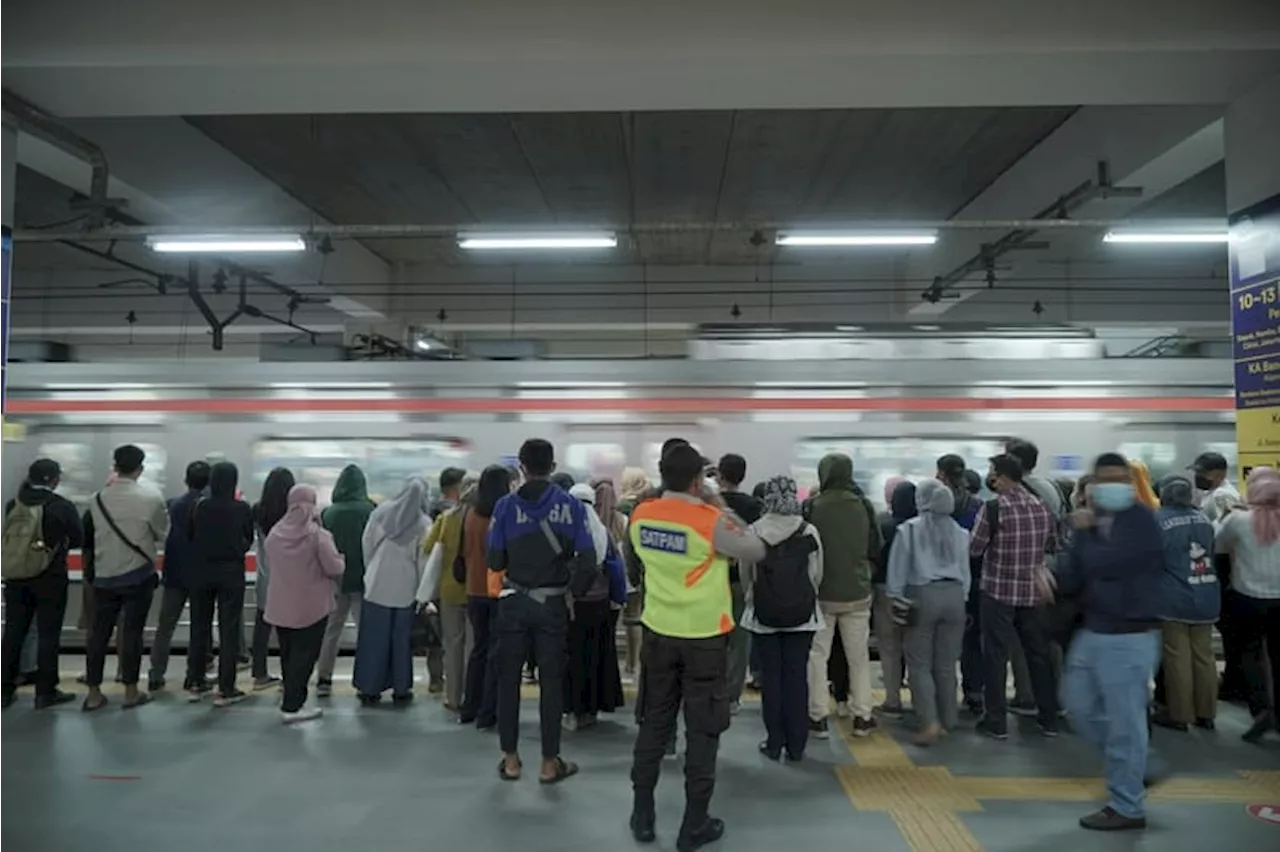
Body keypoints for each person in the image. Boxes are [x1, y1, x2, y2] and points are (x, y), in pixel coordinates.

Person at [627, 442, 766, 851]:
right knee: (702, 733)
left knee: (654, 725)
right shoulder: (710, 520)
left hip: (657, 633)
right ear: (696, 479)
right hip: (703, 639)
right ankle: (693, 824)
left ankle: (643, 815)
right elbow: (755, 548)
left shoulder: (641, 515)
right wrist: (716, 499)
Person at [1058, 452, 1164, 831]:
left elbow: (1111, 565)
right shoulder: (1090, 522)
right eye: (1106, 479)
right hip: (1093, 629)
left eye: (1121, 478)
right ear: (1094, 484)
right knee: (1077, 707)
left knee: (1125, 723)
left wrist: (1084, 535)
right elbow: (1072, 576)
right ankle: (1140, 765)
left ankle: (1127, 805)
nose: (1114, 485)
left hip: (1131, 634)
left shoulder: (1142, 521)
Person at [489, 439, 597, 784]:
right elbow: (589, 560)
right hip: (552, 604)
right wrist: (572, 592)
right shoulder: (572, 507)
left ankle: (510, 760)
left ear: (521, 467)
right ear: (552, 467)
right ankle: (550, 764)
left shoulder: (505, 506)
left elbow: (494, 560)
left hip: (513, 603)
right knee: (551, 684)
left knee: (508, 681)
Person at [969, 453, 1060, 739]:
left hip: (997, 592)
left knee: (996, 655)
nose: (991, 478)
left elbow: (974, 549)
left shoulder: (993, 509)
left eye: (993, 473)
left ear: (1004, 478)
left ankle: (996, 721)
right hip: (1032, 593)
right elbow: (1051, 544)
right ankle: (1049, 718)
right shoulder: (1042, 507)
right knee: (1038, 655)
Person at [740, 475, 823, 761]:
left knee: (771, 679)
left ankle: (774, 742)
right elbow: (816, 575)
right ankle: (797, 745)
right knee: (797, 678)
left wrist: (756, 596)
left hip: (763, 616)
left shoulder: (753, 531)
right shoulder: (808, 530)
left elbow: (746, 574)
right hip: (803, 617)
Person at [82, 445, 169, 712]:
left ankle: (94, 694)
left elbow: (88, 536)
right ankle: (131, 692)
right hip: (137, 576)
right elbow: (162, 533)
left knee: (98, 635)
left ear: (114, 467)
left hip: (104, 578)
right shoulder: (152, 497)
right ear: (140, 469)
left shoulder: (96, 499)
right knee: (132, 634)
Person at [887, 479, 970, 745]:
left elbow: (897, 571)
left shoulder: (909, 530)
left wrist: (895, 599)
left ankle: (929, 722)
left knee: (919, 664)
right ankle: (948, 719)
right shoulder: (960, 532)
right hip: (956, 596)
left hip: (923, 596)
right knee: (946, 665)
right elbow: (966, 573)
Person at [805, 452, 882, 739]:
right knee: (858, 657)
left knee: (818, 655)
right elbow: (876, 547)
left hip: (821, 593)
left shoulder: (812, 506)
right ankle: (862, 716)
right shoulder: (863, 505)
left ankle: (817, 717)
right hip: (858, 593)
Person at [0, 459, 84, 710]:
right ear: (53, 479)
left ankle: (4, 690)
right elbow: (78, 539)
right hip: (50, 578)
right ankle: (45, 692)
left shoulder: (13, 504)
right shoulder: (61, 506)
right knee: (49, 635)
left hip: (15, 577)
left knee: (14, 632)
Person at [264, 484, 346, 723]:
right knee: (305, 656)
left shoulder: (275, 533)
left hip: (280, 605)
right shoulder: (318, 536)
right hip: (312, 606)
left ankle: (289, 699)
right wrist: (342, 559)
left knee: (288, 655)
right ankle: (293, 706)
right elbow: (334, 568)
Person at [1214, 467, 1280, 743]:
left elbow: (1218, 550)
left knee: (1249, 656)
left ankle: (1261, 709)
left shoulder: (1238, 520)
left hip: (1245, 600)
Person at [1152, 474, 1218, 732]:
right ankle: (1207, 713)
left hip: (1173, 598)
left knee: (1177, 657)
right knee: (1204, 657)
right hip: (1206, 593)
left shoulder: (1158, 521)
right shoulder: (1204, 519)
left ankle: (1180, 715)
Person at [356, 478, 430, 705]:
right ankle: (401, 687)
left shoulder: (381, 513)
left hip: (377, 583)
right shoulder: (423, 523)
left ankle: (369, 688)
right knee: (400, 641)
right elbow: (423, 561)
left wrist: (370, 570)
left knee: (374, 640)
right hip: (405, 588)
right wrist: (422, 593)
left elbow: (367, 543)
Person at [186, 461, 255, 706]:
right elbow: (248, 539)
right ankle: (226, 688)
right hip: (231, 573)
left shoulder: (199, 507)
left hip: (201, 573)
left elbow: (190, 536)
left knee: (199, 627)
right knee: (229, 631)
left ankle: (195, 682)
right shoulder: (242, 508)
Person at [563, 483, 626, 730]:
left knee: (572, 658)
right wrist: (617, 598)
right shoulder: (603, 531)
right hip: (599, 605)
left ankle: (571, 710)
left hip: (571, 604)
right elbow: (616, 568)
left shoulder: (566, 531)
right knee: (595, 657)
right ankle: (591, 710)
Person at [147, 461, 210, 692]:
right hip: (201, 575)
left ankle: (156, 673)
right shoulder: (208, 507)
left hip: (174, 573)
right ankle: (194, 674)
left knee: (166, 626)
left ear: (186, 480)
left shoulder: (172, 504)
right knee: (199, 626)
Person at [1190, 451, 1247, 702]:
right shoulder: (1213, 494)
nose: (1198, 477)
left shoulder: (1224, 496)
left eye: (1202, 472)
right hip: (1221, 567)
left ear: (1219, 473)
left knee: (1231, 632)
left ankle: (1235, 684)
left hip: (1224, 569)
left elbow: (1225, 536)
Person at [317, 464, 376, 697]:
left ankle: (323, 678)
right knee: (366, 632)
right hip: (363, 578)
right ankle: (366, 679)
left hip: (335, 579)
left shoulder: (329, 513)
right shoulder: (370, 510)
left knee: (332, 630)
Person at [461, 465, 511, 729]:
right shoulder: (499, 516)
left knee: (478, 651)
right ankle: (487, 712)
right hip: (496, 592)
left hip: (473, 590)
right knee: (496, 653)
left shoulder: (470, 514)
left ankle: (469, 707)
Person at [716, 453, 764, 714]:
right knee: (739, 641)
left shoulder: (711, 504)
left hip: (711, 582)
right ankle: (732, 697)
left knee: (713, 637)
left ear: (720, 475)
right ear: (743, 476)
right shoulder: (753, 506)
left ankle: (711, 689)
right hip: (741, 583)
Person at [421, 480, 473, 715]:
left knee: (452, 644)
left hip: (450, 589)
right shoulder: (487, 518)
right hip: (479, 590)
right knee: (474, 646)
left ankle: (454, 697)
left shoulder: (447, 518)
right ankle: (474, 695)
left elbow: (428, 547)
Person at [873, 477, 915, 719]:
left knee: (889, 647)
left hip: (884, 590)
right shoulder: (919, 527)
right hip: (915, 591)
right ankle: (920, 701)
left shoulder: (884, 525)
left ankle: (892, 700)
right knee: (915, 648)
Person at [249, 467, 294, 691]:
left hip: (265, 576)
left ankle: (259, 674)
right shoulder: (292, 512)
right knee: (288, 631)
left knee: (262, 629)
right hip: (289, 578)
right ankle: (288, 678)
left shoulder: (258, 510)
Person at [618, 467, 650, 676]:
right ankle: (635, 663)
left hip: (619, 563)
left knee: (625, 616)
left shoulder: (619, 506)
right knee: (636, 615)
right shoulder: (645, 507)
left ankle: (628, 664)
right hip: (639, 565)